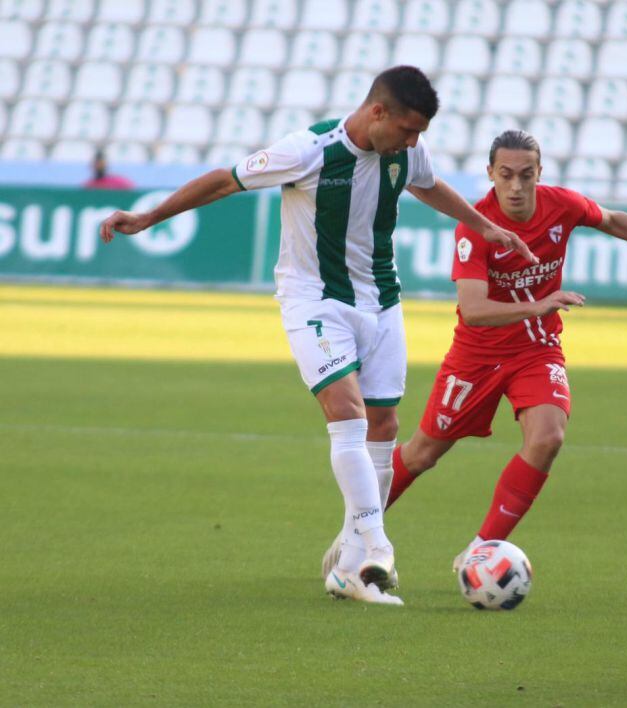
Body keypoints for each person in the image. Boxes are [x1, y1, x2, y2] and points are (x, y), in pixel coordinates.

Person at [99, 66, 535, 606]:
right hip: (315, 300)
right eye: (406, 130)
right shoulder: (308, 150)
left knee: (385, 421)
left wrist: (486, 225)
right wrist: (149, 216)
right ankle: (377, 545)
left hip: (380, 299)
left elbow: (430, 185)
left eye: (419, 133)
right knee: (347, 412)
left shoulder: (406, 151)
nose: (413, 142)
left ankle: (352, 565)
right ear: (378, 112)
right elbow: (223, 179)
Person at [322, 129, 627, 577]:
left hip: (537, 350)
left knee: (548, 437)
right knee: (421, 454)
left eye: (526, 175)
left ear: (539, 174)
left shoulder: (563, 205)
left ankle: (480, 551)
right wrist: (541, 303)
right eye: (507, 175)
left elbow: (611, 219)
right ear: (490, 174)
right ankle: (355, 534)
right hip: (476, 358)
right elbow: (473, 311)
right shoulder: (475, 226)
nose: (516, 186)